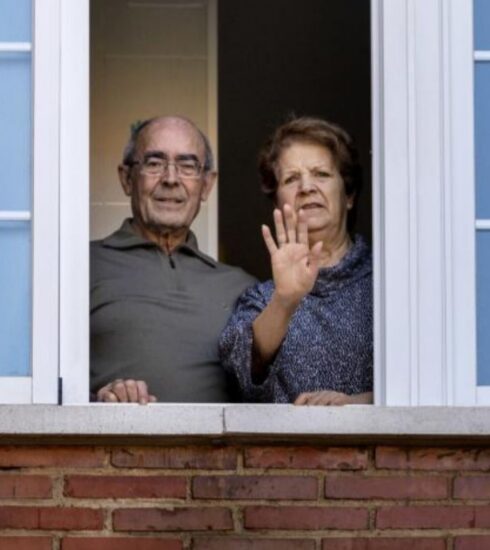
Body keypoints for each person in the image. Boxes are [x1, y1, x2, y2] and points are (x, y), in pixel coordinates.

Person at [90, 116, 255, 403]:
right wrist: (95, 399)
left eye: (188, 166)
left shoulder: (244, 289)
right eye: (154, 163)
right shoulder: (79, 267)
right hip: (111, 445)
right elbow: (39, 379)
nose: (170, 179)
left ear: (206, 185)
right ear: (127, 178)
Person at [219, 117, 373, 405]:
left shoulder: (391, 280)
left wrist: (360, 406)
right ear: (278, 202)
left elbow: (429, 381)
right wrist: (285, 300)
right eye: (291, 179)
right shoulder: (262, 297)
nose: (306, 187)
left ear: (349, 194)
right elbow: (240, 376)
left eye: (321, 174)